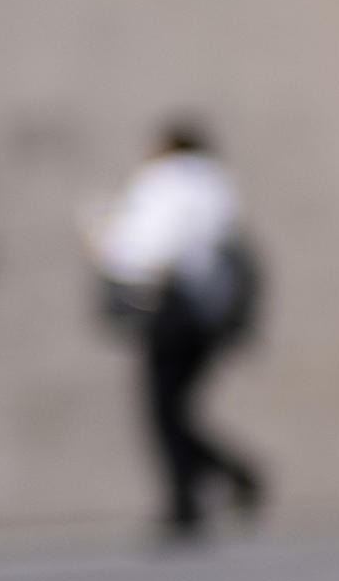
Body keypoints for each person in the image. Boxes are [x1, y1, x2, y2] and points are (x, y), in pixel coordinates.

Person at [85, 117, 266, 537]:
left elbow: (145, 249)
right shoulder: (216, 185)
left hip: (168, 310)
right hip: (205, 314)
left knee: (163, 411)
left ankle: (191, 499)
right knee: (177, 409)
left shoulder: (165, 183)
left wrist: (104, 242)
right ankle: (225, 479)